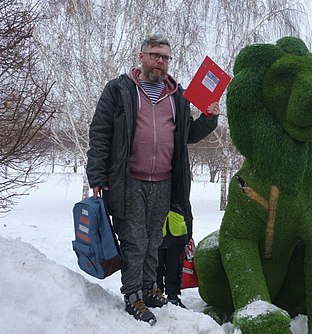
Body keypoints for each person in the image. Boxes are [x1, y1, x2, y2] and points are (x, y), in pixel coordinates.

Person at [86, 33, 219, 325]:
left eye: (165, 57)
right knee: (134, 240)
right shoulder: (119, 90)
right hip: (128, 180)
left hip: (164, 182)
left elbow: (188, 135)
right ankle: (133, 294)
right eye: (155, 55)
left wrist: (209, 118)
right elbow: (100, 134)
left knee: (154, 240)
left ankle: (148, 288)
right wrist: (96, 174)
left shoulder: (178, 97)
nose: (160, 61)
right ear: (141, 56)